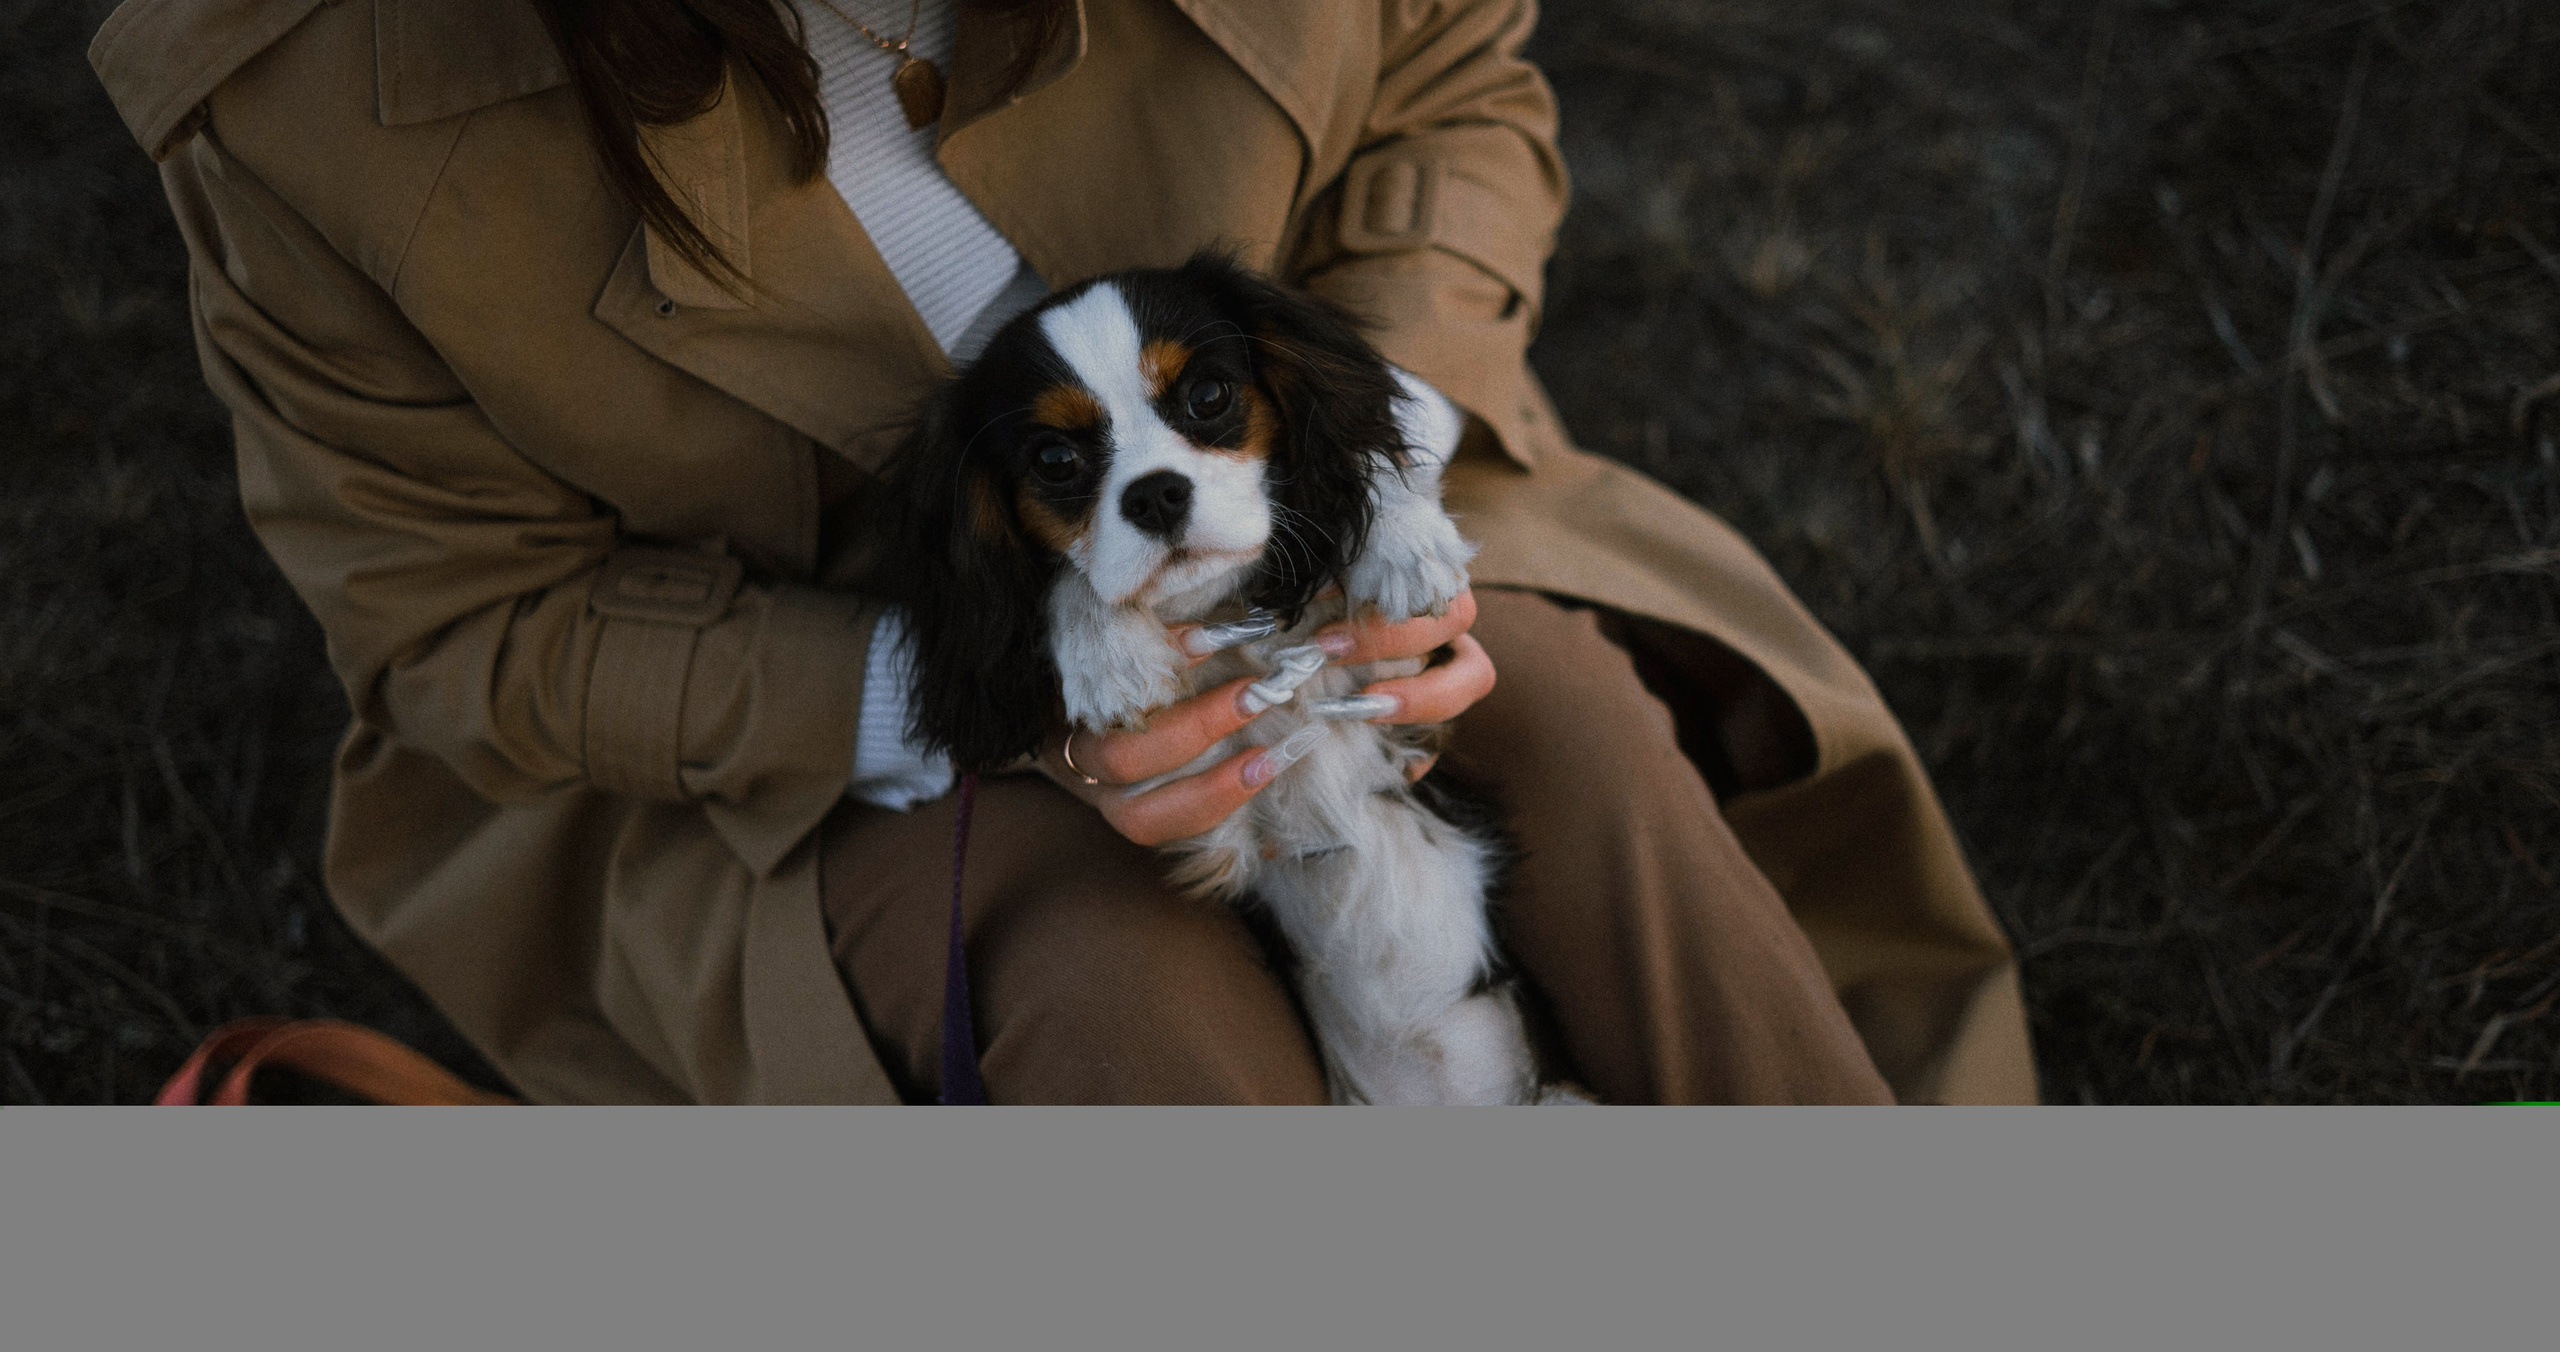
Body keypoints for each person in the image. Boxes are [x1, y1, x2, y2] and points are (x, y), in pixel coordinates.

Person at [91, 0, 2038, 1103]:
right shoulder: (300, 95)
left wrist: (1378, 463)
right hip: (794, 734)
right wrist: (966, 695)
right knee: (1128, 999)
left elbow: (1449, 80)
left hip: (1326, 489)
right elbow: (463, 622)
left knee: (1582, 745)